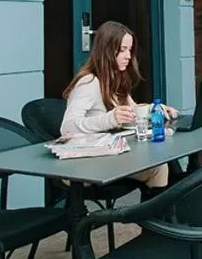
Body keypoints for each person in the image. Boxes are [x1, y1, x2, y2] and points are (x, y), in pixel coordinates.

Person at [61, 21, 177, 190]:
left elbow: (132, 113)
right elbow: (67, 127)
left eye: (129, 50)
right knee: (158, 167)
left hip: (111, 156)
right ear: (106, 51)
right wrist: (110, 119)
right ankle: (154, 216)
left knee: (162, 159)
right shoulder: (89, 82)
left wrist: (154, 110)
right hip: (87, 163)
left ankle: (161, 214)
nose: (128, 56)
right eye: (122, 50)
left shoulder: (116, 79)